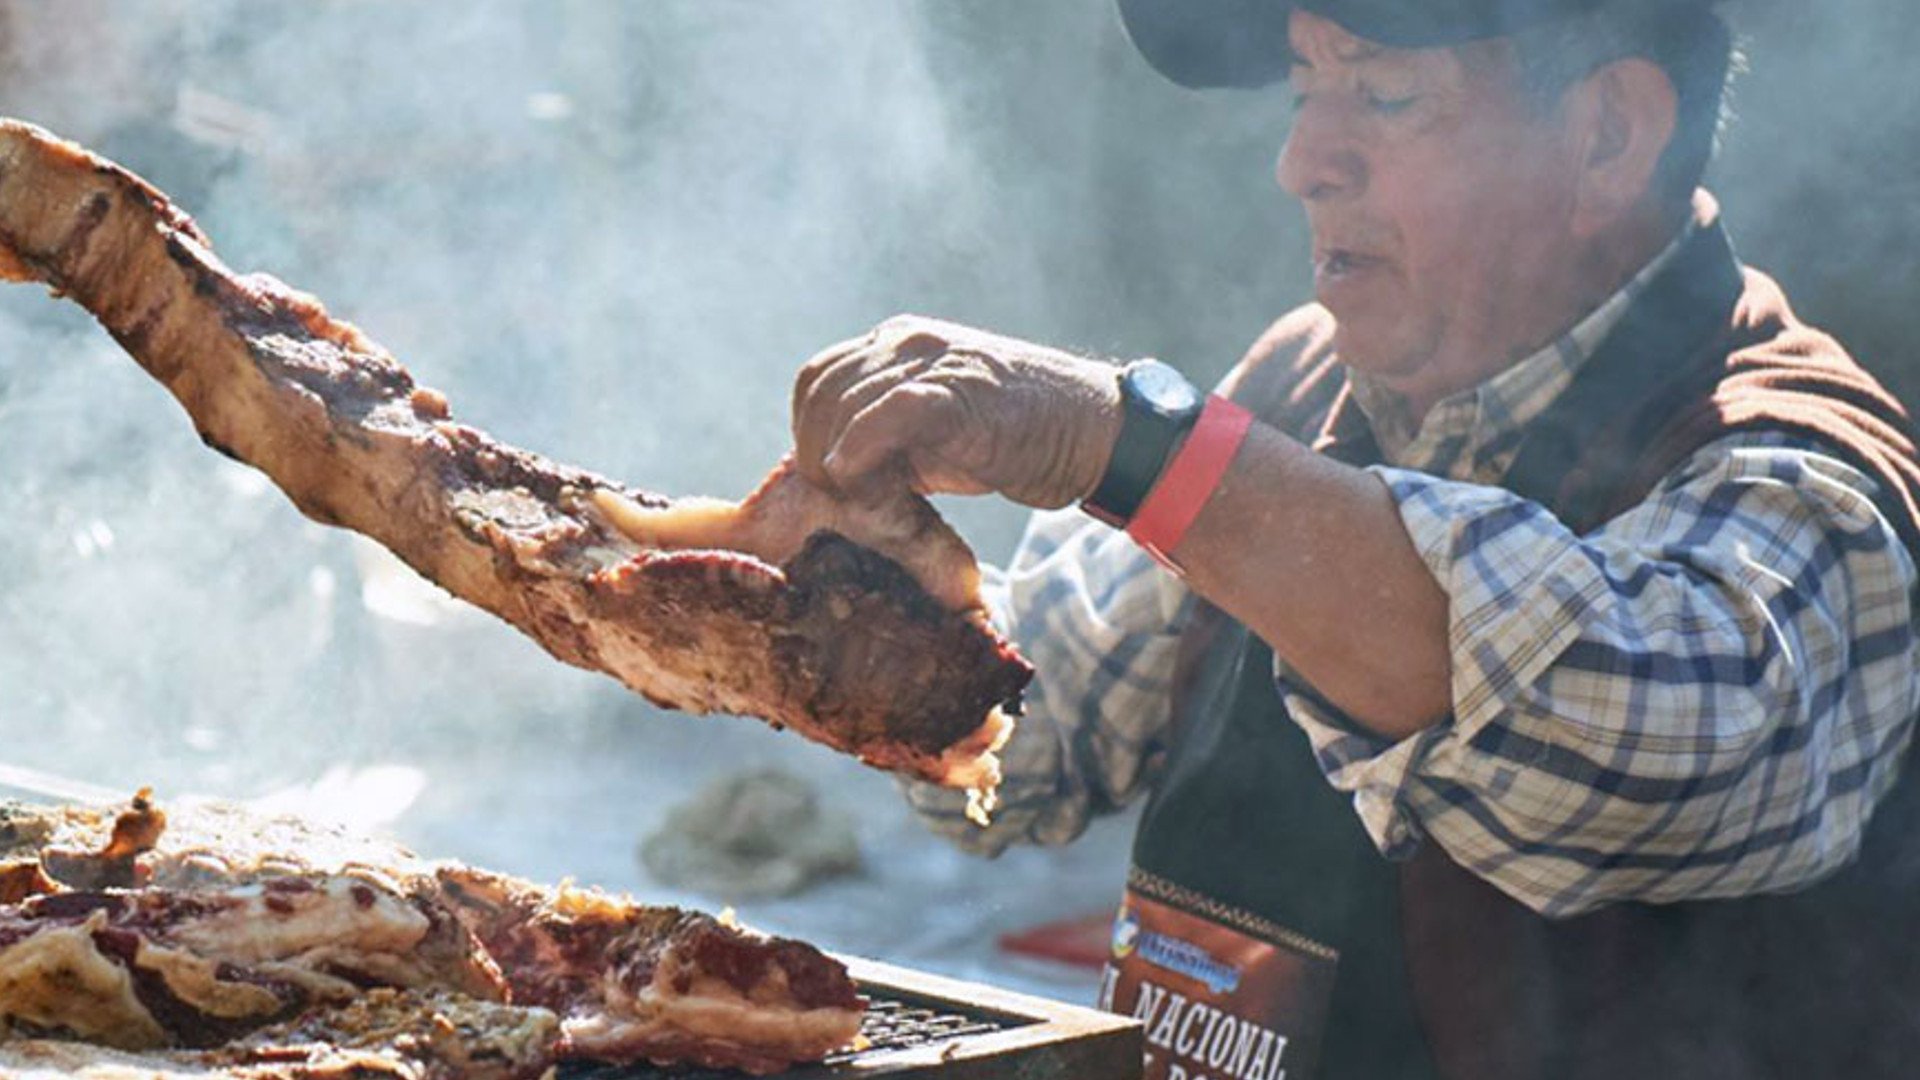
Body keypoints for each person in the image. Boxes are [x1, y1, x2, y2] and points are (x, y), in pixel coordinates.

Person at [790, 1, 1920, 1077]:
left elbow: (1627, 756)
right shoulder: (1301, 381)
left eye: (1383, 97)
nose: (1303, 165)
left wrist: (1118, 444)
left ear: (1609, 136)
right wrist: (824, 588)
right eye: (1302, 94)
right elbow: (1025, 748)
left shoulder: (1800, 487)